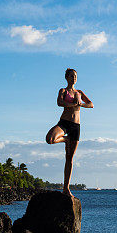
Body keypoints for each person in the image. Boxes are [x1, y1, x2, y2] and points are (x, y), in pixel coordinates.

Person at [45, 68, 93, 196]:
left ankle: (66, 188)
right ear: (67, 78)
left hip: (76, 127)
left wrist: (81, 104)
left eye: (75, 76)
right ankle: (65, 139)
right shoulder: (63, 90)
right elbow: (59, 103)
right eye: (71, 76)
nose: (74, 78)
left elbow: (91, 104)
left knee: (69, 159)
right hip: (64, 123)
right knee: (50, 139)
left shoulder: (79, 92)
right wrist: (72, 104)